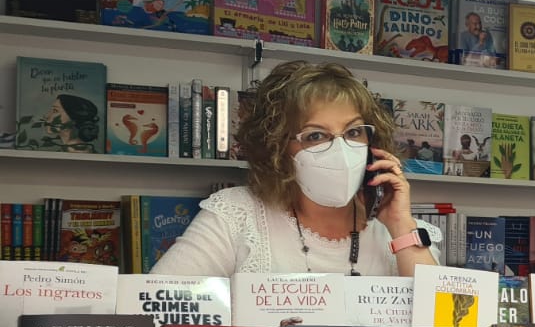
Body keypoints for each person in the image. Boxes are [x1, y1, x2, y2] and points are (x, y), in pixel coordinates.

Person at [151, 61, 440, 276]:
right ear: (278, 148)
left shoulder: (405, 232)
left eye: (353, 133)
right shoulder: (236, 215)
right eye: (316, 135)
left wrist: (401, 226)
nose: (340, 150)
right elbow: (158, 309)